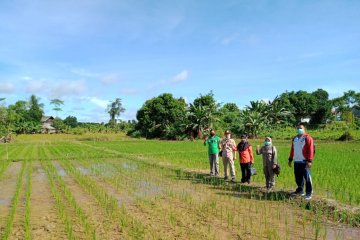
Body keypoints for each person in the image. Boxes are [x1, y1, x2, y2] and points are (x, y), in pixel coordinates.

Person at [288, 123, 315, 200]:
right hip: (296, 161)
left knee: (307, 178)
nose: (299, 129)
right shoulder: (295, 139)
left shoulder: (308, 138)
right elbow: (292, 150)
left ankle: (309, 193)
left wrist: (309, 161)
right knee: (298, 177)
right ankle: (300, 190)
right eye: (298, 128)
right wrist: (290, 159)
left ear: (304, 129)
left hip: (304, 161)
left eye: (301, 128)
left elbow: (311, 149)